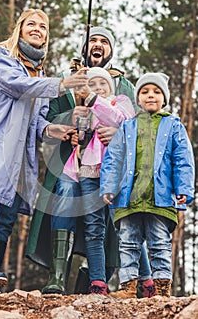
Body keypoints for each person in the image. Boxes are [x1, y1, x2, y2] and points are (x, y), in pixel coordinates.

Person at [0, 8, 88, 293]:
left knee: (6, 215)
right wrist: (62, 84)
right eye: (31, 24)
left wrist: (52, 130)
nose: (37, 29)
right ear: (19, 29)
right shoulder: (1, 57)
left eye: (43, 26)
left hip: (19, 156)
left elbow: (37, 118)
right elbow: (18, 86)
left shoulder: (38, 72)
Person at [26, 26, 153, 297]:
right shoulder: (64, 79)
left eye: (104, 41)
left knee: (113, 218)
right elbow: (45, 119)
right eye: (93, 40)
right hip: (69, 164)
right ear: (85, 47)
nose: (98, 45)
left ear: (110, 50)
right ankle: (57, 277)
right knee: (65, 193)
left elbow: (134, 125)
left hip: (108, 169)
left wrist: (118, 134)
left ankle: (101, 279)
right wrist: (67, 122)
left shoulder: (124, 86)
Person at [100, 72, 195, 298]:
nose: (150, 95)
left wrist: (183, 188)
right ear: (138, 99)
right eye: (144, 92)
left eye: (156, 92)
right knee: (128, 243)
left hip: (159, 197)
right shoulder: (128, 127)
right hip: (128, 198)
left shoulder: (173, 125)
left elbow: (183, 159)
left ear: (165, 98)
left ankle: (162, 286)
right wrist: (109, 186)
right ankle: (128, 286)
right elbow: (114, 158)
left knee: (159, 243)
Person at [47, 67, 135, 295]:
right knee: (92, 225)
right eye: (93, 84)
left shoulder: (120, 99)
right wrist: (72, 125)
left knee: (125, 223)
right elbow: (65, 126)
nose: (98, 88)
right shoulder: (83, 107)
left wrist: (96, 102)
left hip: (113, 173)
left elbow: (123, 119)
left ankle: (139, 279)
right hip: (84, 170)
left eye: (103, 84)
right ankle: (89, 280)